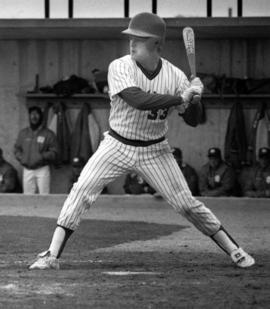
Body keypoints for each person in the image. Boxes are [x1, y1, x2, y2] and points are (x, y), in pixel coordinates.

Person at [29, 12, 254, 270]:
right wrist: (180, 98)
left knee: (186, 204)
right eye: (131, 37)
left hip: (155, 149)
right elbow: (138, 99)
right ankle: (51, 255)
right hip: (116, 144)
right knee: (82, 190)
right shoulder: (120, 66)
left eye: (140, 38)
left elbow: (192, 119)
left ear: (157, 43)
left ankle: (234, 249)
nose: (132, 42)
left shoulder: (176, 76)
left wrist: (195, 98)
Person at [14, 106, 58, 194]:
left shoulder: (48, 134)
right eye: (32, 114)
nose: (34, 117)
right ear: (29, 116)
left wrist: (41, 157)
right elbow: (17, 149)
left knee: (44, 196)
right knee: (27, 197)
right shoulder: (23, 133)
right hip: (27, 169)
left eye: (36, 114)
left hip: (42, 169)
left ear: (41, 116)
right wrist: (22, 158)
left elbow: (54, 151)